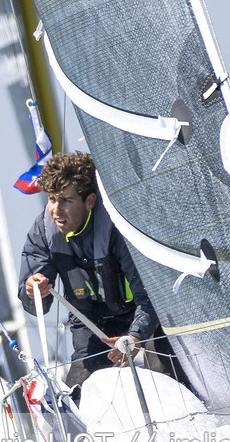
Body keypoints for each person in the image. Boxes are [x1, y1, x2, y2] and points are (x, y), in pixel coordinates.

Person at [18, 152, 165, 391]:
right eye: (52, 199)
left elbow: (151, 294)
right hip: (90, 324)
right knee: (78, 393)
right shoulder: (43, 232)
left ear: (90, 201)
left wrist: (135, 337)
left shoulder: (117, 226)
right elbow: (35, 306)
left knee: (168, 379)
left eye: (66, 200)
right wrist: (33, 291)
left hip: (143, 316)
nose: (56, 210)